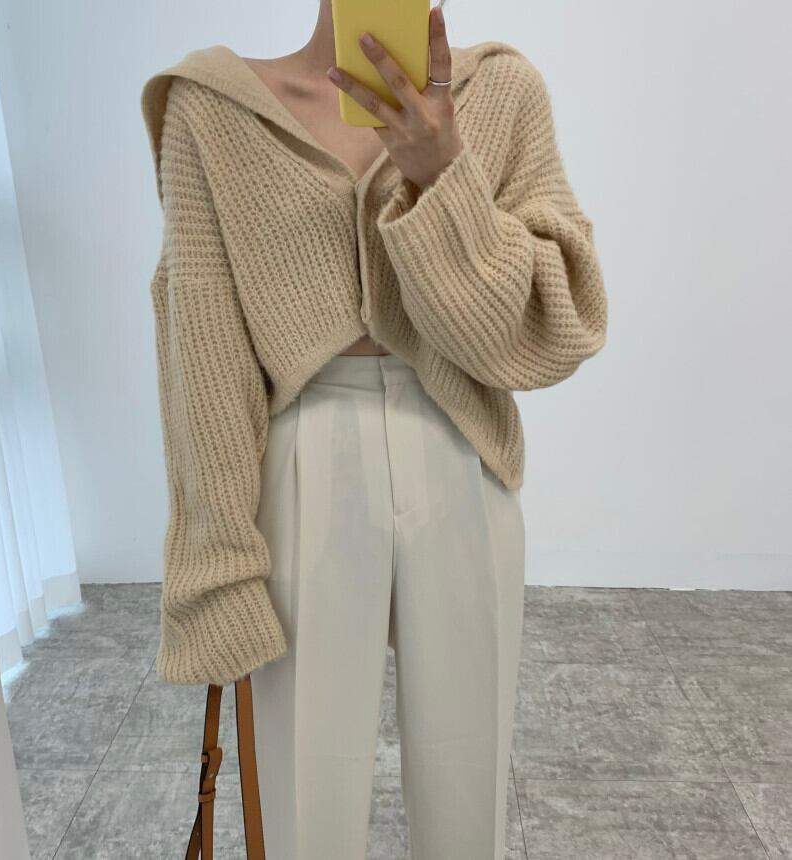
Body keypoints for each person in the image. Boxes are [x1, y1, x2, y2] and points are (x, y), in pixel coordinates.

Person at [140, 2, 607, 857]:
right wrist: (218, 561)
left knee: (469, 779)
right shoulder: (213, 108)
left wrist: (443, 173)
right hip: (303, 457)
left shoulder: (503, 92)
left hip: (461, 444)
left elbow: (552, 322)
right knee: (303, 796)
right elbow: (201, 354)